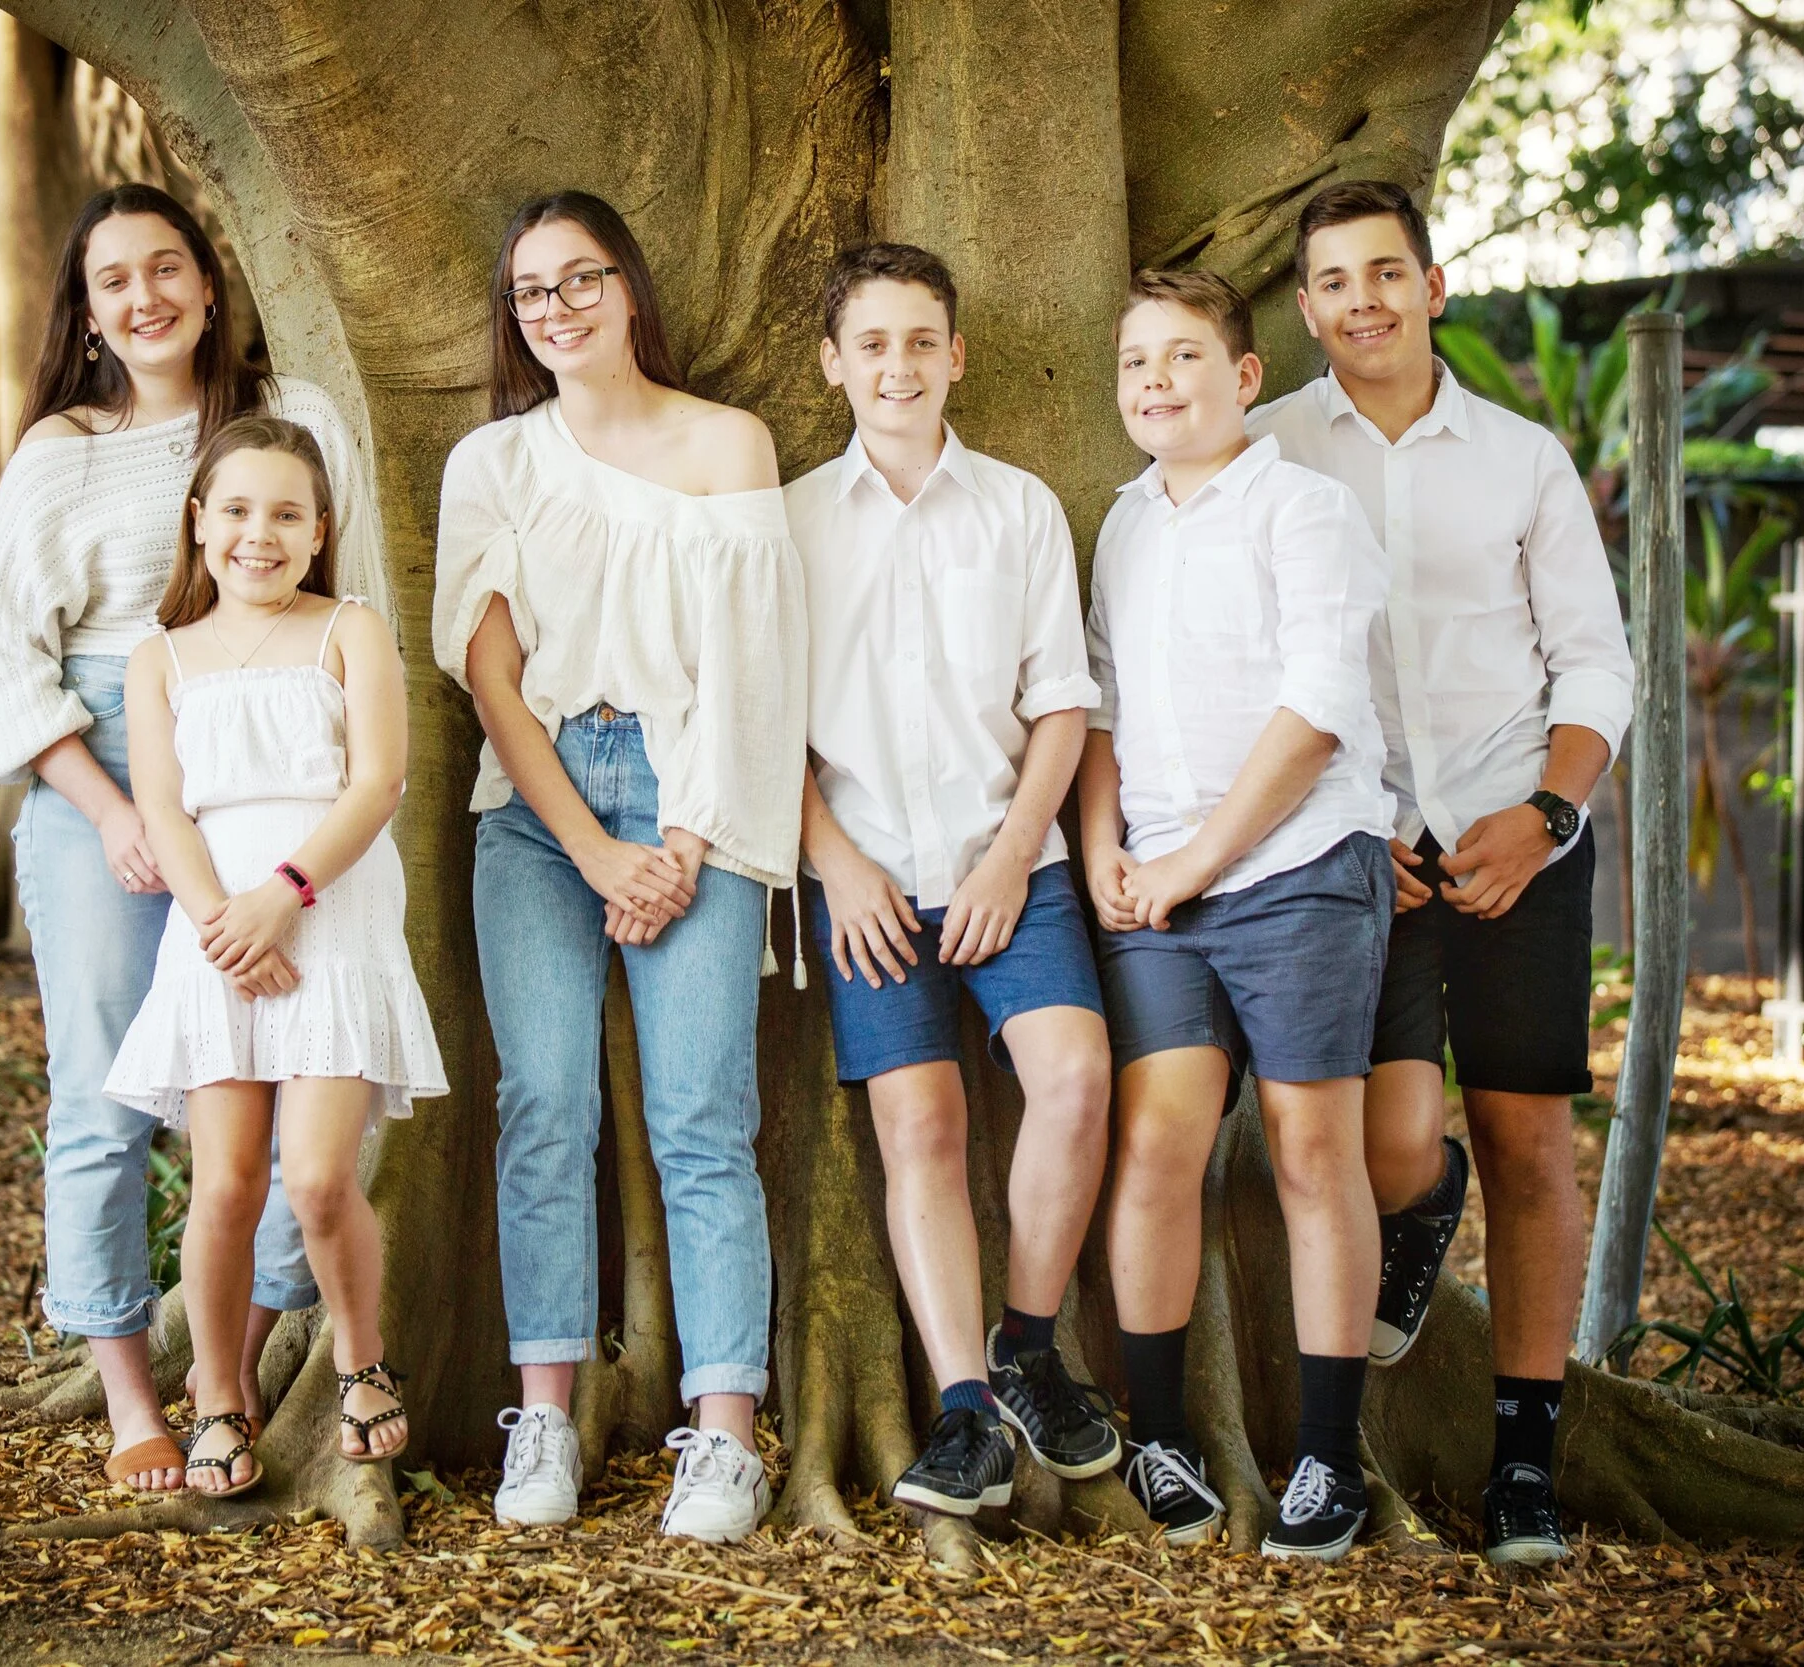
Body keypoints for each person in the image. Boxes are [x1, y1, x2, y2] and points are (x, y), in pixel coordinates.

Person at [0, 183, 394, 1494]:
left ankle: (236, 1366)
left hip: (274, 766)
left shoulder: (298, 416)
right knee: (102, 1095)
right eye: (113, 280)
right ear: (87, 312)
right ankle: (126, 1390)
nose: (145, 296)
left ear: (212, 283)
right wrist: (112, 817)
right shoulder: (61, 451)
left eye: (168, 268)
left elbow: (355, 593)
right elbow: (6, 659)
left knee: (284, 1083)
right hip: (103, 749)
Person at [1250, 179, 1634, 1566]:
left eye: (1385, 273)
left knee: (1535, 1142)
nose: (1362, 301)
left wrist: (1547, 811)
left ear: (1433, 284)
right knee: (1388, 1144)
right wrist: (1347, 819)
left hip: (1519, 836)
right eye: (1334, 282)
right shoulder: (1269, 450)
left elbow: (1597, 657)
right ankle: (1425, 1205)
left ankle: (1526, 1456)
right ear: (1304, 309)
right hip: (1360, 850)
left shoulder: (1522, 458)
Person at [433, 191, 806, 1543]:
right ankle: (545, 1412)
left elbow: (754, 667)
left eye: (581, 278)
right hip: (538, 809)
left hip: (698, 792)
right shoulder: (491, 462)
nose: (559, 307)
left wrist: (683, 839)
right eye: (532, 291)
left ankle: (726, 1432)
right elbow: (487, 670)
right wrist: (596, 850)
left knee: (703, 1116)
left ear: (630, 288)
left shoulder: (728, 443)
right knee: (544, 1103)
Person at [785, 244, 1119, 1519]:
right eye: (871, 343)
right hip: (866, 874)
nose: (898, 365)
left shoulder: (1021, 509)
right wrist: (835, 860)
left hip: (1008, 862)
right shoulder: (790, 522)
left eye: (921, 340)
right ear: (833, 364)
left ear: (957, 354)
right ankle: (965, 1410)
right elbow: (765, 725)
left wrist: (1011, 851)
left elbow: (1062, 704)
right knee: (918, 1127)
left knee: (1076, 1078)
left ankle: (1028, 1342)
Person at [1079, 268, 1397, 1559]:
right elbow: (1096, 704)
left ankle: (1328, 1455)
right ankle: (1159, 1430)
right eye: (1136, 364)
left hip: (1300, 871)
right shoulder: (1121, 525)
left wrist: (1193, 863)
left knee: (1313, 1149)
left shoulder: (1306, 512)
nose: (1156, 383)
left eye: (1184, 359)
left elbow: (1317, 713)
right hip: (1153, 883)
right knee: (1158, 1146)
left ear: (1246, 376)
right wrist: (1103, 844)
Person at [100, 415, 447, 1495]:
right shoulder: (156, 655)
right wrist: (222, 921)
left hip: (326, 915)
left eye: (287, 513)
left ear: (318, 530)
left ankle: (358, 1354)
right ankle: (216, 1398)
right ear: (200, 523)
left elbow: (377, 783)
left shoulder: (350, 628)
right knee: (227, 1182)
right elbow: (160, 800)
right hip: (215, 934)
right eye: (238, 509)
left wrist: (283, 897)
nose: (261, 532)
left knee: (317, 1172)